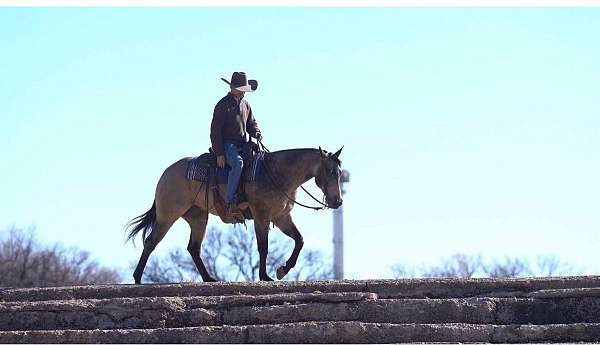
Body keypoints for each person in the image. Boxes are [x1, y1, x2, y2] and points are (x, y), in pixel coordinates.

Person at [210, 72, 263, 216]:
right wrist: (220, 153)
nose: (244, 93)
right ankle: (230, 201)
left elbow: (251, 123)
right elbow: (215, 132)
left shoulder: (246, 105)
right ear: (233, 88)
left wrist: (256, 132)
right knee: (238, 164)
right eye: (242, 89)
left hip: (243, 145)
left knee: (260, 163)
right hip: (228, 146)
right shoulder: (222, 105)